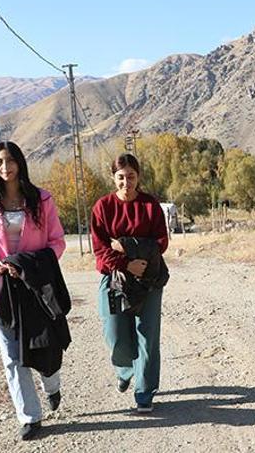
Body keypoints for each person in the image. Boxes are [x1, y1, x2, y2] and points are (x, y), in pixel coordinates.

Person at [0, 141, 67, 440]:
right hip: (1, 291)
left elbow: (57, 241)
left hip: (35, 288)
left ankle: (52, 385)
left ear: (20, 163)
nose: (5, 167)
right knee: (12, 356)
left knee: (44, 348)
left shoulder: (42, 199)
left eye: (10, 161)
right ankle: (29, 416)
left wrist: (29, 265)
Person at [91, 153, 169, 414]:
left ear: (138, 177)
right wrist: (126, 263)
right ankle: (124, 371)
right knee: (115, 336)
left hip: (148, 279)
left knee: (147, 335)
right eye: (121, 177)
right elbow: (101, 249)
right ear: (113, 178)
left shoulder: (150, 206)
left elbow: (161, 242)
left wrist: (125, 246)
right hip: (114, 279)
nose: (126, 182)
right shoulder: (103, 207)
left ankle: (145, 392)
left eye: (131, 177)